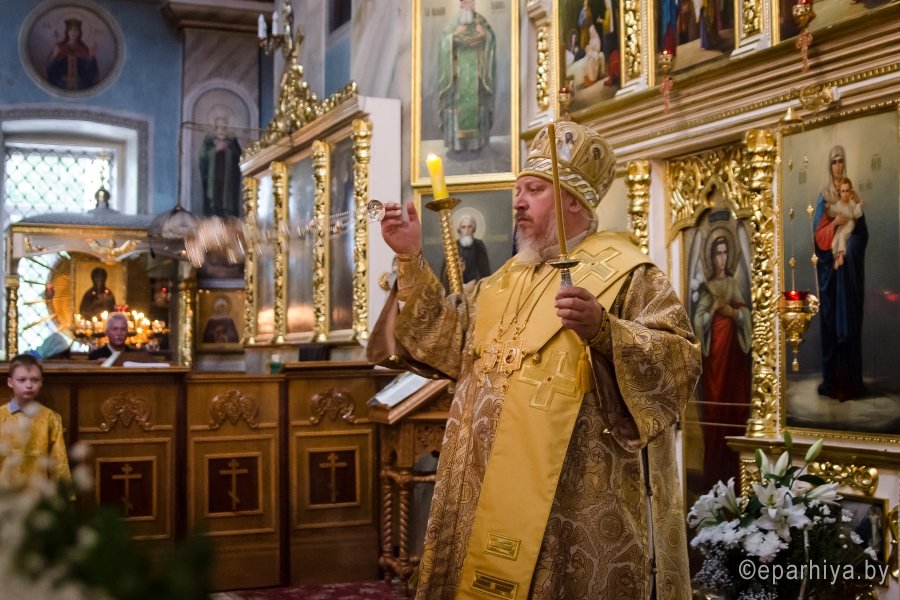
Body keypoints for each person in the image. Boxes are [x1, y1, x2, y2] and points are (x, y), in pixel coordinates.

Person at [369, 121, 701, 598]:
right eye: (518, 190)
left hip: (567, 502)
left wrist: (605, 331)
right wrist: (409, 259)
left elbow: (679, 362)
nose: (518, 201)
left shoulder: (631, 275)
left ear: (574, 202)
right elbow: (442, 335)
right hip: (485, 489)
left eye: (534, 190)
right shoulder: (505, 280)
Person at [692, 233, 751, 490]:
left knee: (734, 412)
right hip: (715, 362)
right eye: (718, 253)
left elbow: (746, 315)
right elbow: (698, 321)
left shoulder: (733, 284)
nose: (722, 258)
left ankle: (736, 476)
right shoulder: (707, 288)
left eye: (726, 253)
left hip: (734, 362)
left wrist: (734, 314)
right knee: (716, 411)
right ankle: (714, 474)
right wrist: (715, 309)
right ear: (711, 256)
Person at [812, 145, 868, 400]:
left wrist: (850, 250)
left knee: (850, 327)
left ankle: (852, 383)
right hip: (831, 276)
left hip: (849, 275)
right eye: (834, 161)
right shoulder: (824, 197)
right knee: (831, 325)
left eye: (840, 161)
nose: (837, 165)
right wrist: (835, 223)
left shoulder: (852, 195)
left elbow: (862, 233)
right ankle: (832, 382)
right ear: (829, 165)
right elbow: (818, 236)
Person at [0, 354, 70, 488]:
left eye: (34, 380)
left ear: (41, 382)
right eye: (22, 380)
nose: (29, 385)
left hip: (38, 493)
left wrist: (64, 494)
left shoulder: (51, 418)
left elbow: (59, 462)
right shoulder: (1, 416)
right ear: (10, 382)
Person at [437, 0, 496, 156]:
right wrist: (453, 35)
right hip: (458, 75)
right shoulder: (453, 23)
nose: (468, 4)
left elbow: (491, 38)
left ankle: (477, 144)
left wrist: (485, 35)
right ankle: (457, 145)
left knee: (478, 106)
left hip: (477, 73)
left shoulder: (481, 21)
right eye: (465, 2)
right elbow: (444, 43)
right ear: (461, 4)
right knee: (457, 107)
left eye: (471, 2)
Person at [199, 115, 244, 218]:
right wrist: (215, 150)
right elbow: (202, 157)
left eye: (224, 127)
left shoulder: (232, 141)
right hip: (213, 179)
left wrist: (229, 150)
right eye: (220, 127)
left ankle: (227, 214)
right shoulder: (209, 140)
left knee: (227, 201)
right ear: (216, 128)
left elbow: (240, 157)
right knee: (214, 200)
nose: (222, 130)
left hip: (228, 179)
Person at [45, 18, 99, 91]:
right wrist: (54, 56)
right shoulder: (60, 47)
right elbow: (50, 68)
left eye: (76, 30)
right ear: (67, 32)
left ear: (79, 33)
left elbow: (89, 71)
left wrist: (91, 58)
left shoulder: (84, 48)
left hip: (80, 85)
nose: (73, 33)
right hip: (61, 84)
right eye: (71, 30)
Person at [441, 214, 491, 287]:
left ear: (473, 229)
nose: (466, 230)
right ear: (459, 230)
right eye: (463, 227)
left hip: (476, 287)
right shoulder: (452, 246)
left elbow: (485, 272)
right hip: (457, 288)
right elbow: (445, 274)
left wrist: (475, 283)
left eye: (469, 227)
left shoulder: (479, 245)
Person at [829, 177, 864, 270]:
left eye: (847, 191)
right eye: (843, 191)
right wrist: (829, 207)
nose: (845, 194)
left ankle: (841, 256)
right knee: (835, 240)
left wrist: (859, 205)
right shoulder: (839, 204)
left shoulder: (851, 203)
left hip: (849, 224)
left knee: (842, 236)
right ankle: (836, 258)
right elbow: (833, 210)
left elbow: (856, 213)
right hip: (842, 225)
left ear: (850, 191)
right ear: (840, 193)